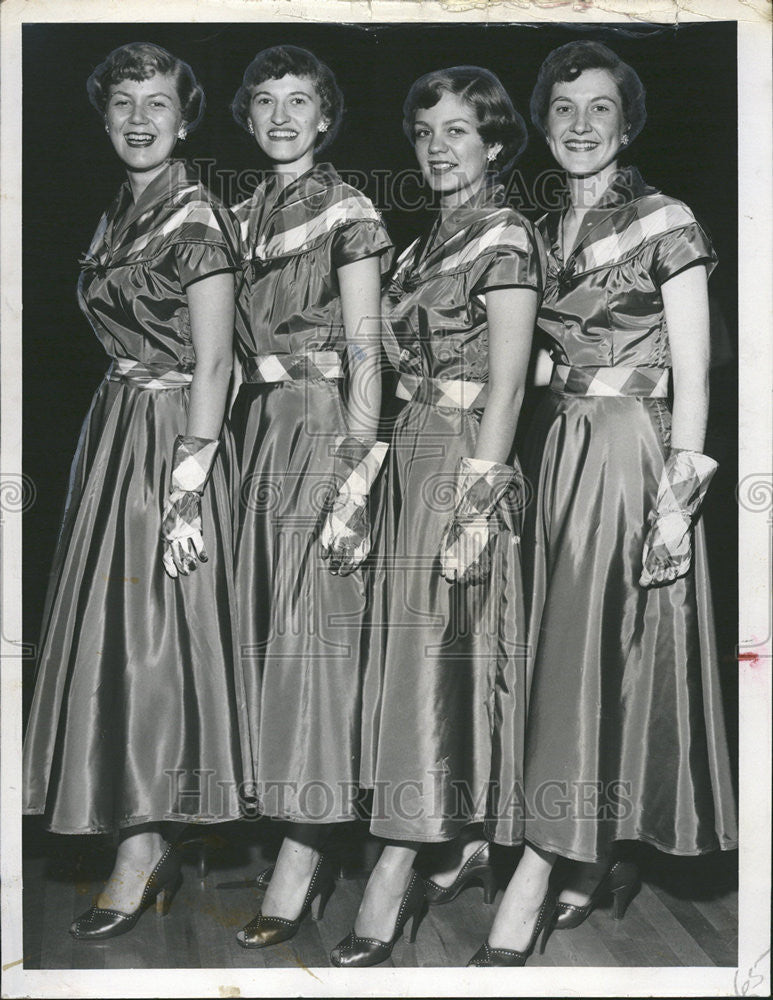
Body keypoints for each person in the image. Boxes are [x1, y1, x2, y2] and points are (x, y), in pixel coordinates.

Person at [468, 40, 738, 967]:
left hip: (630, 453)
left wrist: (677, 499)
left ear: (627, 123)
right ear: (541, 125)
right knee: (570, 657)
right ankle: (592, 851)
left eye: (600, 109)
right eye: (564, 110)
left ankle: (540, 874)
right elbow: (542, 363)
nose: (580, 126)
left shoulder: (666, 218)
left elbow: (693, 377)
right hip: (563, 448)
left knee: (592, 650)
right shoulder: (543, 231)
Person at [21, 42, 252, 940]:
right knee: (114, 634)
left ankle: (146, 839)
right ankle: (132, 818)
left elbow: (218, 360)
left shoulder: (195, 215)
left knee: (157, 635)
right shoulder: (121, 210)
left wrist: (188, 482)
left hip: (171, 438)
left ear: (186, 117)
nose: (139, 119)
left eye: (158, 103)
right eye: (124, 104)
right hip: (114, 428)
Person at [330, 66, 544, 968]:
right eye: (425, 133)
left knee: (435, 658)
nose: (437, 148)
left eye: (458, 131)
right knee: (416, 665)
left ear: (494, 144)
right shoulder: (422, 244)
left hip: (462, 458)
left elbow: (505, 383)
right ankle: (442, 838)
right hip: (412, 452)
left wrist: (475, 504)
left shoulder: (506, 237)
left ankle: (395, 864)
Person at [227, 45, 393, 949]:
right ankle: (295, 817)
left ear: (326, 117)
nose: (282, 117)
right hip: (261, 432)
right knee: (271, 648)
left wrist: (357, 479)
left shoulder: (350, 210)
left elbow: (369, 351)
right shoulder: (239, 214)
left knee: (317, 645)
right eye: (265, 102)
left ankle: (306, 847)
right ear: (247, 118)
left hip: (327, 425)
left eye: (300, 101)